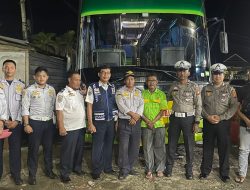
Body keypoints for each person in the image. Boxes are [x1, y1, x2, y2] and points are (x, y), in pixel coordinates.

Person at [199, 63, 238, 182]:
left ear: (223, 75)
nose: (217, 76)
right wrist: (207, 116)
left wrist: (221, 117)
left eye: (220, 74)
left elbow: (234, 106)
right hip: (208, 122)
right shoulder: (205, 89)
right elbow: (199, 106)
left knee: (224, 148)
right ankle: (205, 171)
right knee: (207, 147)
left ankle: (224, 173)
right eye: (215, 74)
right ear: (212, 75)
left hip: (223, 123)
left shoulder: (230, 90)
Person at [165, 60, 202, 180]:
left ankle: (189, 169)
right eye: (179, 71)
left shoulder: (194, 87)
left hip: (189, 119)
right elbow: (167, 100)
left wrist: (196, 122)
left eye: (184, 71)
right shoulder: (173, 86)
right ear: (177, 73)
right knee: (171, 144)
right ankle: (169, 167)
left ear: (188, 72)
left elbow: (199, 105)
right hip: (175, 119)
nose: (181, 73)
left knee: (189, 146)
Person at [22, 66, 56, 185]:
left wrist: (55, 123)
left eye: (44, 76)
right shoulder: (29, 90)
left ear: (47, 77)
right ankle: (32, 175)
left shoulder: (52, 90)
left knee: (48, 148)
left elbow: (54, 107)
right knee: (33, 150)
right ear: (34, 77)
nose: (41, 78)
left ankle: (49, 170)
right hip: (34, 123)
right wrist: (26, 124)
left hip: (48, 123)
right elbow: (25, 108)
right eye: (39, 75)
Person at [86, 65, 118, 180]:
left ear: (110, 75)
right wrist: (90, 123)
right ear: (99, 74)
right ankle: (96, 170)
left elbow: (115, 105)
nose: (105, 75)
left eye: (108, 73)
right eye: (103, 72)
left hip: (111, 121)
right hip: (98, 122)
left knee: (109, 146)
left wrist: (116, 121)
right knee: (97, 146)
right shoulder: (92, 87)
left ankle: (107, 168)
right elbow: (89, 106)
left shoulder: (113, 87)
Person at [56, 71, 86, 183]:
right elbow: (59, 112)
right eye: (76, 80)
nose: (78, 82)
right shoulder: (62, 94)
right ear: (69, 80)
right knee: (67, 151)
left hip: (81, 126)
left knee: (79, 150)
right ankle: (64, 173)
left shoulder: (79, 92)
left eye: (79, 80)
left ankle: (77, 168)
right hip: (69, 128)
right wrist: (61, 127)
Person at [115, 71, 144, 180]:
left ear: (134, 80)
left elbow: (141, 104)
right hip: (124, 122)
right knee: (123, 147)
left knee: (135, 147)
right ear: (124, 81)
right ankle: (123, 170)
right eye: (127, 79)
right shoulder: (120, 92)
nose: (130, 81)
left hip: (136, 123)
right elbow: (121, 106)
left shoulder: (139, 92)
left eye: (132, 79)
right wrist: (133, 115)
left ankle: (129, 167)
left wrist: (137, 116)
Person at [0, 59, 25, 185]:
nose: (9, 69)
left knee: (15, 149)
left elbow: (24, 105)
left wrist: (17, 120)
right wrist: (1, 120)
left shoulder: (21, 86)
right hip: (0, 123)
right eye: (6, 67)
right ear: (3, 69)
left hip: (15, 123)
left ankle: (16, 175)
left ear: (15, 70)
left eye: (11, 67)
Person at [141, 73, 168, 179]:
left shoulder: (161, 94)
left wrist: (153, 122)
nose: (151, 82)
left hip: (159, 125)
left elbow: (162, 110)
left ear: (157, 82)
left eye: (154, 80)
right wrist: (148, 121)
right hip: (145, 124)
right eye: (149, 80)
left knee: (159, 147)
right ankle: (149, 169)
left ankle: (160, 169)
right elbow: (139, 110)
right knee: (147, 148)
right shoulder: (142, 94)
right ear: (147, 82)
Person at [234, 81, 250, 183]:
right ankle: (242, 174)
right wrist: (246, 120)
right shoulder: (242, 89)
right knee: (244, 150)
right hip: (246, 124)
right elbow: (237, 109)